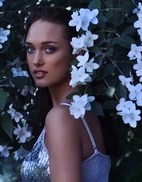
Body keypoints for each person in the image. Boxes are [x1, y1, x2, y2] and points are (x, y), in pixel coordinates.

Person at [20, 6, 120, 182]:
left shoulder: (62, 117)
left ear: (77, 52)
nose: (36, 60)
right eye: (30, 49)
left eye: (49, 49)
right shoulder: (85, 114)